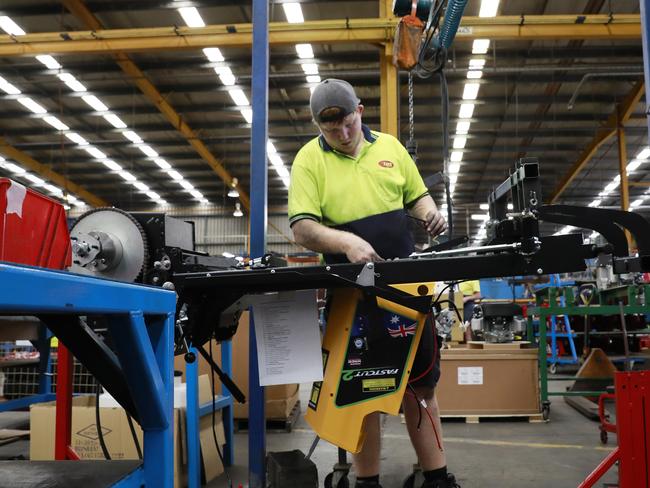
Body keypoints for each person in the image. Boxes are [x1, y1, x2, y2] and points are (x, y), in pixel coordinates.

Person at [288, 78, 459, 488]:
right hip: (352, 297)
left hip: (406, 292)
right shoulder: (309, 160)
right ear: (318, 126)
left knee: (421, 387)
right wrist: (345, 241)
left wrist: (429, 212)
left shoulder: (390, 147)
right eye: (331, 130)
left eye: (347, 123)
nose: (343, 135)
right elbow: (302, 227)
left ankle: (437, 477)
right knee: (360, 392)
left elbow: (416, 195)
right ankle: (368, 483)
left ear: (360, 111)